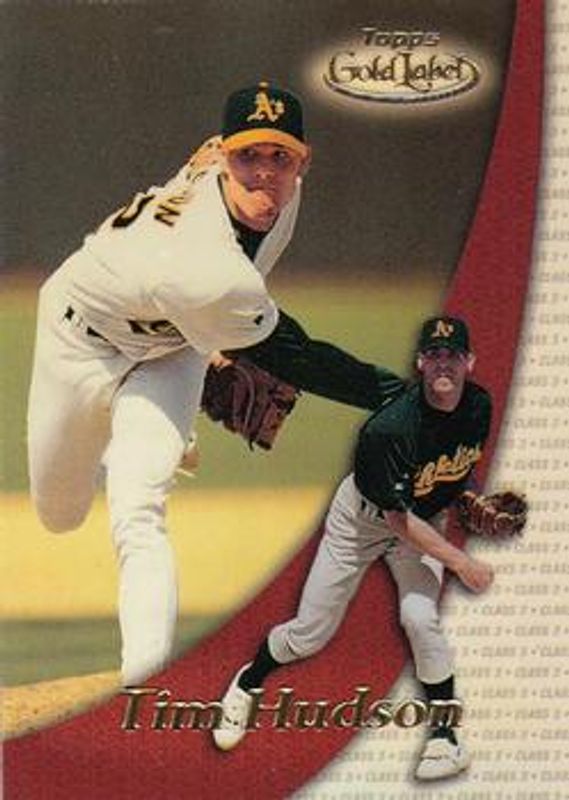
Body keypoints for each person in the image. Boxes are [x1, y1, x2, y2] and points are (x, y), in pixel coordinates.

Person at [27, 82, 400, 686]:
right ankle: (121, 439)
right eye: (248, 156)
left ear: (304, 162)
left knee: (138, 509)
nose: (265, 173)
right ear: (223, 158)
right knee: (59, 513)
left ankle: (143, 685)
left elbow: (236, 279)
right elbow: (302, 359)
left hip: (170, 351)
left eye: (280, 156)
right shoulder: (201, 255)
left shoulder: (267, 193)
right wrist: (403, 397)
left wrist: (215, 338)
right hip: (78, 340)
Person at [213, 316, 494, 782]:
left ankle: (446, 736)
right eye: (435, 355)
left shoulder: (479, 405)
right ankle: (249, 681)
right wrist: (461, 561)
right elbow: (398, 520)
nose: (444, 364)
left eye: (453, 355)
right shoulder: (390, 428)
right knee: (309, 634)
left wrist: (470, 497)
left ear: (469, 362)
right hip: (363, 522)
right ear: (421, 362)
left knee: (420, 617)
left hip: (421, 519)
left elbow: (452, 466)